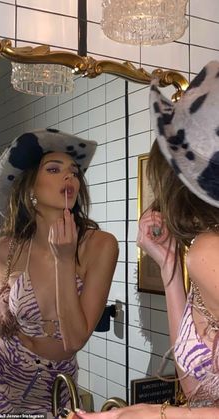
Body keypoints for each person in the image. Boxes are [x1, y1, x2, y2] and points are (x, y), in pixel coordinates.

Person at [69, 61, 219, 418]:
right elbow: (196, 387)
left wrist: (150, 415)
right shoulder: (200, 253)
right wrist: (168, 263)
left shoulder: (208, 251)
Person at [0, 128, 119, 414]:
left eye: (74, 172)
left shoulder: (100, 245)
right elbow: (3, 321)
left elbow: (74, 340)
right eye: (54, 169)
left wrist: (65, 259)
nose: (69, 176)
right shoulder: (6, 249)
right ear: (30, 187)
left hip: (52, 383)